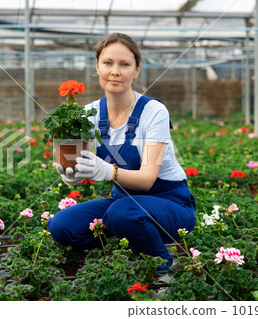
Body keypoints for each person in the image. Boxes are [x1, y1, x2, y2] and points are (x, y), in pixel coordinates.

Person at [47, 33, 196, 271]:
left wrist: (105, 170)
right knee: (61, 225)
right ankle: (127, 245)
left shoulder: (154, 112)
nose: (115, 71)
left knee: (122, 213)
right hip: (125, 202)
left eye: (124, 64)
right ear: (97, 67)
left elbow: (147, 179)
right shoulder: (90, 113)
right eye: (108, 63)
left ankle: (163, 268)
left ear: (136, 70)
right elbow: (79, 157)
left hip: (171, 204)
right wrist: (72, 173)